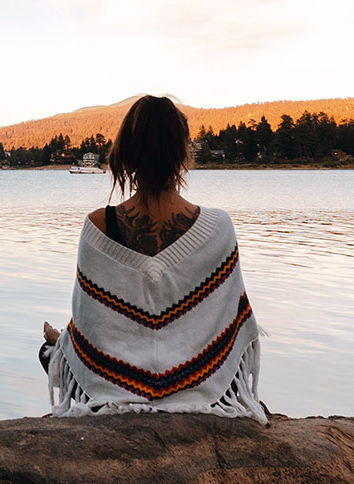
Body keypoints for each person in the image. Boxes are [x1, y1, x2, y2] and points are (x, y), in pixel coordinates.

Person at [40, 95, 267, 424]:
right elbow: (228, 325)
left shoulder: (98, 227)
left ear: (126, 153)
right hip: (202, 389)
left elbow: (94, 329)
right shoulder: (219, 228)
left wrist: (62, 342)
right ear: (183, 152)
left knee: (51, 355)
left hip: (113, 392)